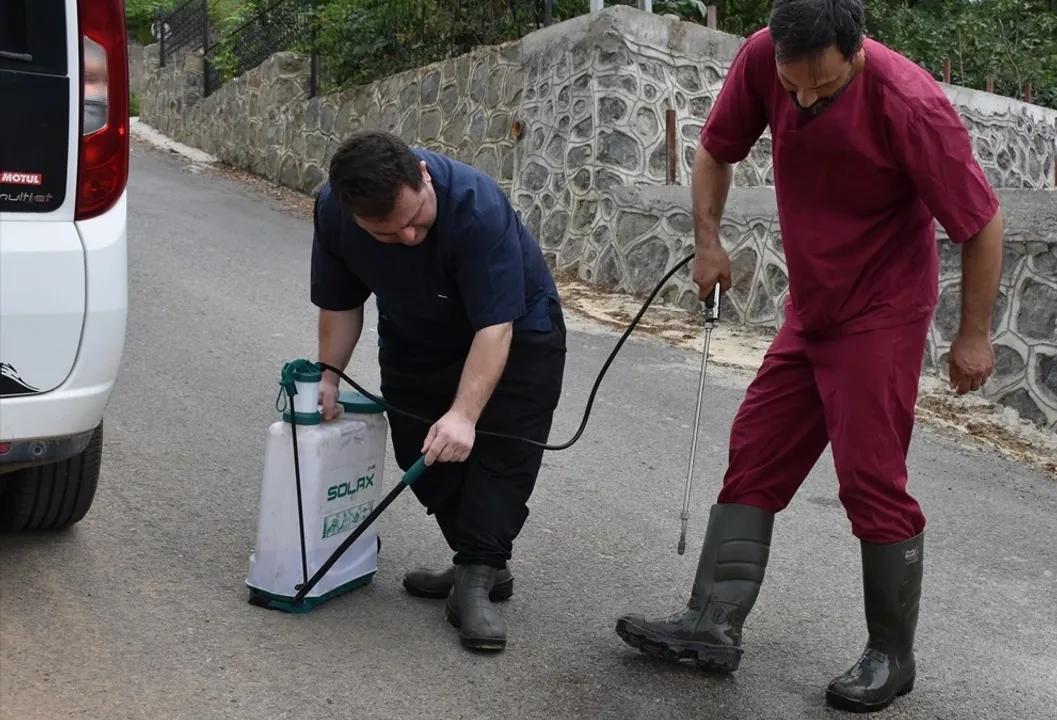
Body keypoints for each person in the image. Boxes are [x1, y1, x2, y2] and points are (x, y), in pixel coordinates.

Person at [613, 0, 1004, 713]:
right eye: (792, 87)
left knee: (870, 479)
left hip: (883, 309)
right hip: (813, 305)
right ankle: (711, 622)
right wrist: (708, 242)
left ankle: (892, 656)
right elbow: (715, 151)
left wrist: (973, 335)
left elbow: (981, 223)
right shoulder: (764, 57)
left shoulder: (911, 104)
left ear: (857, 50)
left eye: (822, 88)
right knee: (757, 445)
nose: (803, 103)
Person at [309, 129, 567, 652]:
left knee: (501, 455)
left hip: (517, 333)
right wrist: (328, 376)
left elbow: (495, 327)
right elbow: (341, 302)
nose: (409, 238)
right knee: (422, 450)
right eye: (388, 234)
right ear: (355, 218)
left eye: (416, 220)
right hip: (416, 336)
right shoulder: (334, 212)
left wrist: (465, 415)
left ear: (423, 175)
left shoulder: (476, 206)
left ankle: (476, 573)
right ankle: (481, 563)